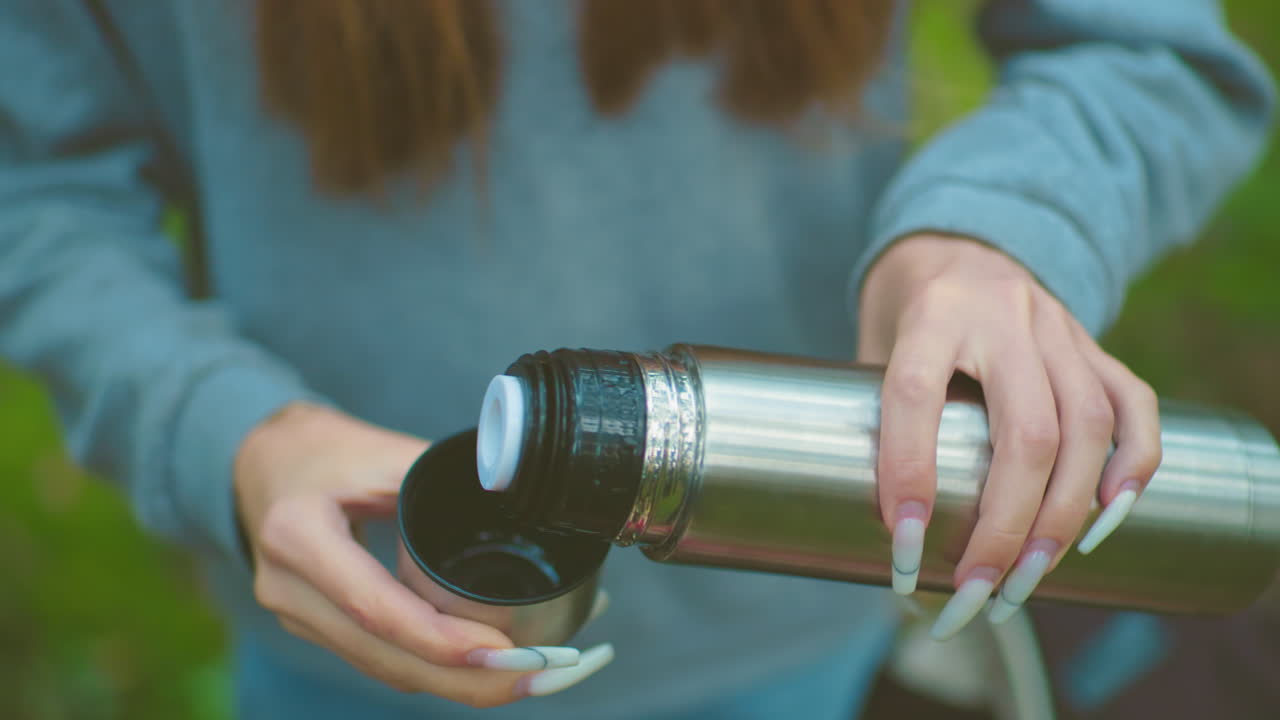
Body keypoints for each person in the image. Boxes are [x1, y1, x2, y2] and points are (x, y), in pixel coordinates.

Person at [0, 1, 1272, 718]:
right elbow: (36, 186)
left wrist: (987, 236)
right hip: (354, 637)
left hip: (800, 613)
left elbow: (1145, 46)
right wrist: (226, 432)